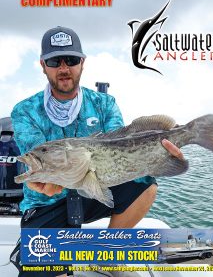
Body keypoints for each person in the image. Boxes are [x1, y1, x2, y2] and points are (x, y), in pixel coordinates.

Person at [10, 26, 184, 277]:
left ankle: (106, 254)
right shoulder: (24, 111)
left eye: (70, 60)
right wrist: (43, 180)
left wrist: (162, 156)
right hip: (47, 203)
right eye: (53, 61)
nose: (63, 68)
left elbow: (123, 144)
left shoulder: (104, 104)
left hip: (94, 189)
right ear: (42, 64)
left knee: (146, 184)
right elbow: (38, 160)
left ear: (82, 62)